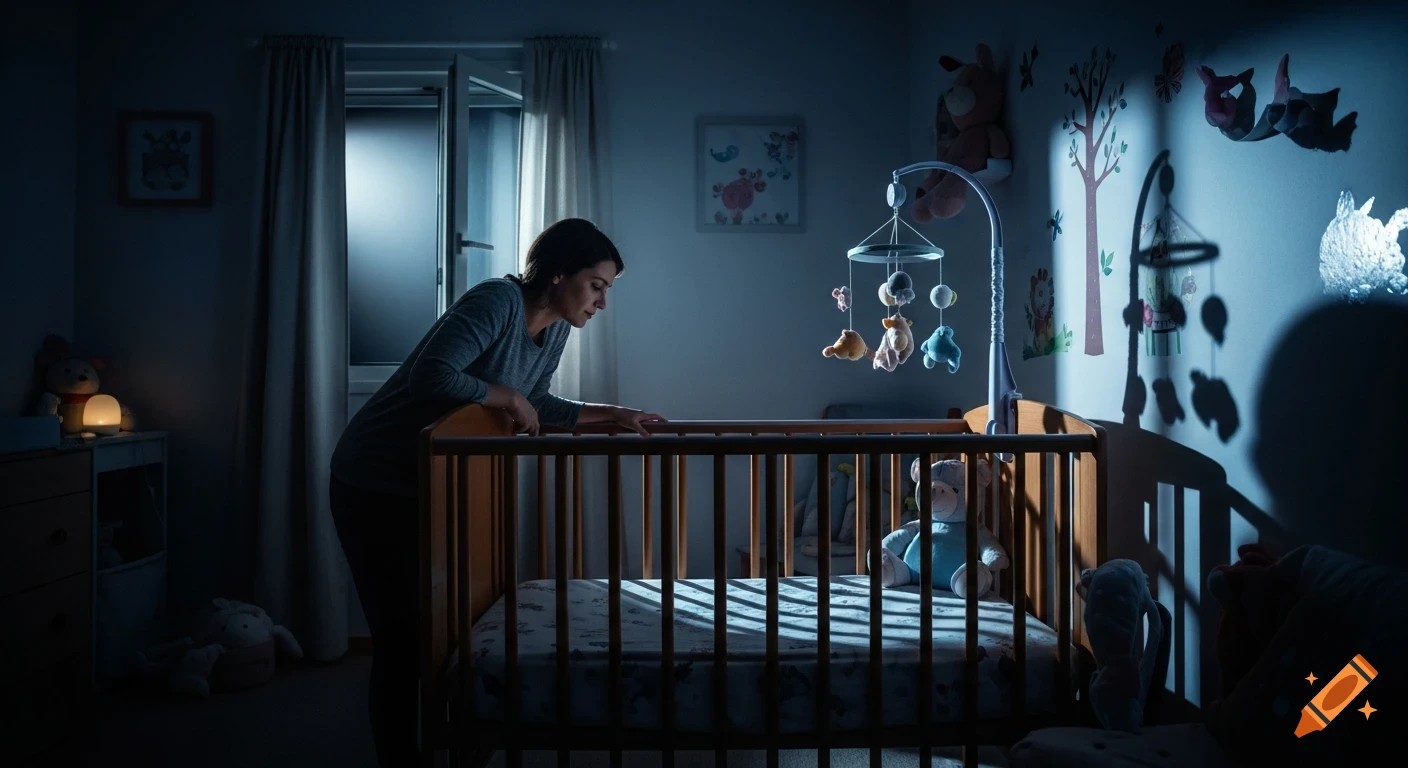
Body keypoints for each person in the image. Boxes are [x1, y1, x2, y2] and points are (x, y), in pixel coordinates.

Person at [328, 217, 664, 765]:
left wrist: (612, 414)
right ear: (558, 274)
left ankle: (461, 739)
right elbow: (432, 377)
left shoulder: (554, 329)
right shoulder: (498, 301)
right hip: (375, 479)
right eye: (598, 285)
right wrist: (506, 396)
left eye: (608, 290)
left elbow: (538, 406)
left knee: (454, 624)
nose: (602, 303)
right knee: (403, 637)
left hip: (437, 479)